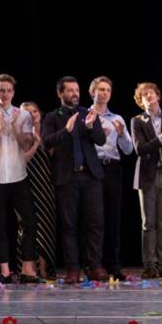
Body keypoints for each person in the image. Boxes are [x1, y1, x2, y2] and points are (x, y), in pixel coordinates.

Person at [42, 76, 108, 283]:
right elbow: (46, 141)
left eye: (77, 90)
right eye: (70, 90)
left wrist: (90, 126)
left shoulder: (87, 113)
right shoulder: (53, 117)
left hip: (90, 176)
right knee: (69, 225)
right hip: (67, 178)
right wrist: (66, 130)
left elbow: (101, 139)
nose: (75, 94)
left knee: (95, 223)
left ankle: (94, 266)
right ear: (60, 94)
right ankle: (72, 268)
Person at [0, 74, 39, 284]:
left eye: (9, 90)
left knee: (30, 221)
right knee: (0, 225)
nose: (5, 94)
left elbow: (25, 145)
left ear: (14, 92)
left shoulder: (23, 116)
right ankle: (5, 272)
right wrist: (0, 129)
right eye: (1, 90)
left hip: (18, 175)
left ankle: (28, 269)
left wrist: (13, 127)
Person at [90, 77, 135, 279]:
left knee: (113, 217)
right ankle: (94, 263)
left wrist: (122, 133)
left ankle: (113, 264)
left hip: (113, 168)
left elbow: (128, 150)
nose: (104, 93)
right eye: (100, 89)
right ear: (93, 92)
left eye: (108, 89)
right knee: (95, 219)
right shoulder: (86, 116)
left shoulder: (117, 118)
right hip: (92, 169)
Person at [131, 82, 162, 279]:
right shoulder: (137, 121)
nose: (148, 96)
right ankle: (150, 265)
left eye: (151, 93)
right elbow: (140, 148)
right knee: (148, 223)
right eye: (144, 95)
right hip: (147, 175)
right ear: (140, 100)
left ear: (158, 96)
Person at [20, 101, 57, 280]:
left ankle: (46, 268)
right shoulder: (21, 135)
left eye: (35, 111)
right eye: (28, 112)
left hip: (46, 185)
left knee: (47, 227)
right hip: (26, 184)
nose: (33, 114)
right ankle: (29, 269)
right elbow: (21, 160)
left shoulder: (48, 132)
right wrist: (34, 144)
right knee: (28, 226)